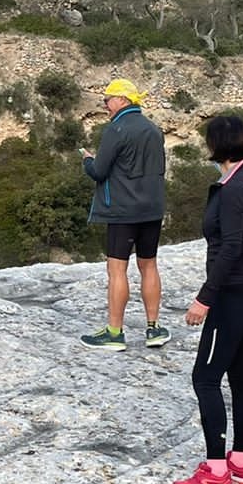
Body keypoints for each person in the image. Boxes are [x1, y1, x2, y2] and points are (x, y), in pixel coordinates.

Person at [172, 114, 243, 484]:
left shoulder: (231, 191)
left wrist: (204, 298)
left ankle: (215, 472)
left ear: (219, 145)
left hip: (229, 297)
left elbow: (230, 247)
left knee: (206, 379)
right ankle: (241, 462)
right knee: (242, 379)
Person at [80, 77, 169, 351]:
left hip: (122, 211)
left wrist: (87, 159)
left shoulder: (116, 129)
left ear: (122, 100)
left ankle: (115, 333)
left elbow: (99, 171)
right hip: (151, 210)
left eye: (108, 99)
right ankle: (154, 329)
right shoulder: (154, 130)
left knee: (117, 268)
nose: (106, 105)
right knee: (149, 265)